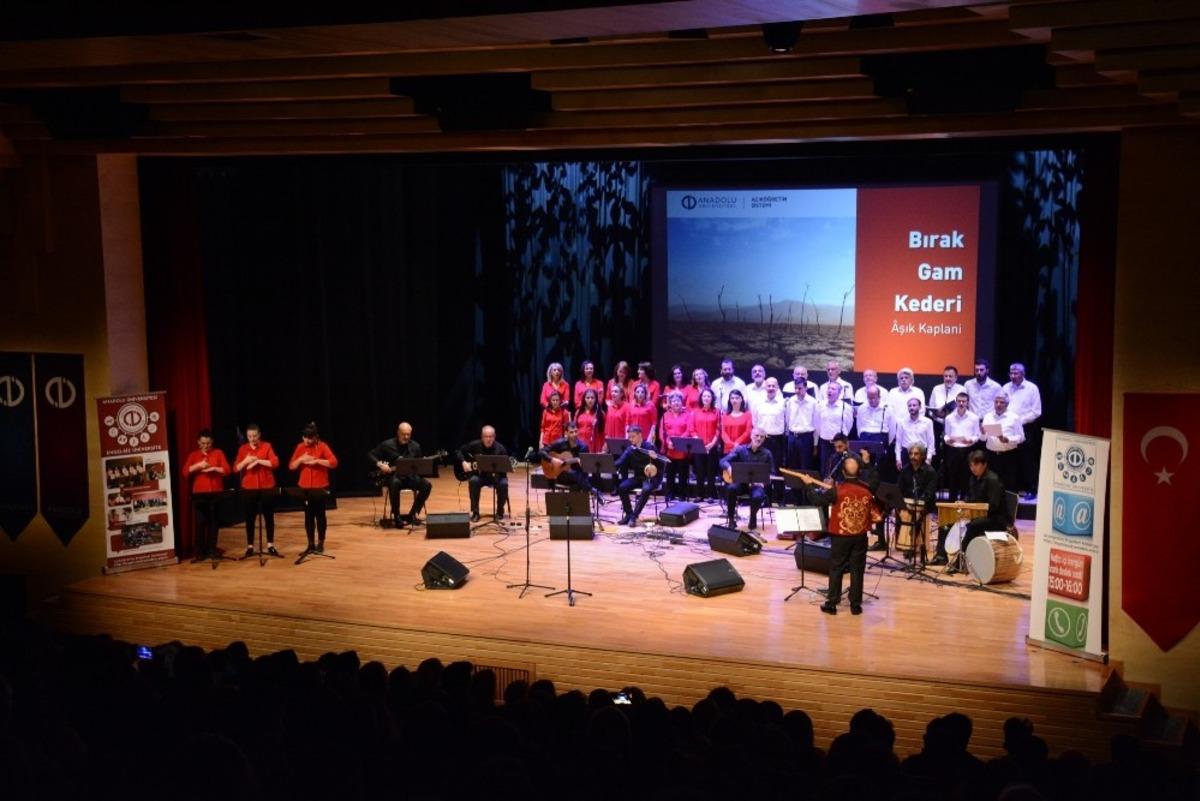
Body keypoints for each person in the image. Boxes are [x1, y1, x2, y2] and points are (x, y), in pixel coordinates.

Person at [794, 454, 882, 615]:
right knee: (857, 569)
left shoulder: (837, 491)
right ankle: (856, 605)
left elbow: (817, 500)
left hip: (840, 536)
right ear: (860, 472)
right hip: (860, 536)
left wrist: (808, 485)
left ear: (842, 472)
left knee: (836, 568)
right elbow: (876, 514)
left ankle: (832, 603)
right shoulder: (866, 491)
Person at [943, 450, 1010, 572]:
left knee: (973, 526)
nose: (973, 468)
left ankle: (960, 562)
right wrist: (964, 503)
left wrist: (975, 510)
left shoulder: (993, 480)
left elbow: (993, 506)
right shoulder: (972, 480)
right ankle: (942, 556)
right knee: (946, 523)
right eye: (971, 465)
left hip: (995, 519)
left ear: (984, 465)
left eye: (976, 465)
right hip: (979, 516)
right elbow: (971, 499)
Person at [367, 421, 431, 527]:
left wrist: (422, 464)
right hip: (392, 477)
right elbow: (370, 454)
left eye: (408, 434)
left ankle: (412, 514)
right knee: (395, 483)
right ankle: (397, 516)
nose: (406, 437)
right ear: (398, 433)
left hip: (410, 477)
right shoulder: (387, 445)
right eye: (403, 434)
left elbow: (419, 466)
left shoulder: (415, 446)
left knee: (427, 485)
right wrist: (380, 464)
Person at [290, 422, 338, 553]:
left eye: (309, 438)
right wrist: (301, 459)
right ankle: (310, 543)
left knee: (320, 516)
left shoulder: (323, 446)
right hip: (304, 487)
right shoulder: (300, 447)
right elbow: (291, 466)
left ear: (316, 437)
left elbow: (334, 463)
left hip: (319, 487)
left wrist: (317, 461)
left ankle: (320, 542)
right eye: (304, 437)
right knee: (308, 516)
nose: (306, 440)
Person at [182, 429, 230, 559]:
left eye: (208, 443)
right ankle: (199, 551)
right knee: (200, 522)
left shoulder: (218, 453)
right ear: (198, 442)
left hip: (216, 492)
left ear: (212, 442)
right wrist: (199, 465)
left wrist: (214, 468)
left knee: (214, 522)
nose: (206, 446)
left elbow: (227, 470)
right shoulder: (194, 455)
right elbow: (185, 472)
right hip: (199, 494)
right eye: (203, 443)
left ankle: (212, 550)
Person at [234, 423, 279, 557]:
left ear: (259, 435)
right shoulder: (243, 449)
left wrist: (259, 461)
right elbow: (236, 468)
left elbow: (275, 463)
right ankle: (250, 546)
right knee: (250, 518)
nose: (252, 439)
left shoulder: (267, 446)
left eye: (254, 436)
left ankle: (270, 544)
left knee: (268, 517)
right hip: (249, 487)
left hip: (267, 486)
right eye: (249, 436)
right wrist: (247, 460)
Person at [719, 428, 774, 530]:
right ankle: (731, 519)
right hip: (741, 483)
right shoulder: (741, 450)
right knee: (731, 489)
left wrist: (764, 482)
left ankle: (753, 517)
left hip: (756, 485)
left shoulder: (767, 454)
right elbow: (723, 461)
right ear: (751, 436)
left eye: (762, 437)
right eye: (756, 436)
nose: (759, 439)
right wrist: (729, 468)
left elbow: (772, 473)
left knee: (757, 496)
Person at [1002, 362, 1042, 495]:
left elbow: (1036, 411)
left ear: (1023, 374)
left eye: (1016, 373)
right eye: (1011, 373)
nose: (1012, 376)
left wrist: (1019, 421)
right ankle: (1012, 490)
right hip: (1008, 427)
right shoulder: (1006, 387)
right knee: (1010, 459)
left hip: (1026, 427)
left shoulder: (1031, 388)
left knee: (1027, 460)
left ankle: (1031, 489)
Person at [893, 443, 938, 558]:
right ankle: (902, 544)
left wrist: (919, 503)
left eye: (916, 454)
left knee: (916, 515)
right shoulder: (905, 470)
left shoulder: (930, 471)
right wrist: (902, 503)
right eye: (911, 454)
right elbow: (899, 489)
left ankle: (913, 546)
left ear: (922, 456)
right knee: (899, 511)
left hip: (924, 505)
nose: (913, 456)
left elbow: (930, 492)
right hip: (907, 503)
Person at [613, 425, 663, 526]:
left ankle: (634, 516)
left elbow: (661, 464)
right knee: (622, 487)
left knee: (646, 489)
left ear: (640, 435)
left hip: (650, 478)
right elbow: (620, 462)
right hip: (638, 477)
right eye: (629, 437)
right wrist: (607, 464)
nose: (630, 439)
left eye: (633, 436)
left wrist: (656, 457)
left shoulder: (650, 447)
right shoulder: (630, 449)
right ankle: (628, 514)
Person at [457, 425, 509, 522]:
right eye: (486, 436)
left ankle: (500, 511)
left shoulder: (500, 449)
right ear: (482, 437)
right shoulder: (475, 445)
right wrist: (463, 462)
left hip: (496, 477)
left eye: (491, 436)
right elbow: (459, 451)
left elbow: (504, 470)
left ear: (494, 437)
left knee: (504, 484)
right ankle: (475, 512)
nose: (488, 439)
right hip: (481, 476)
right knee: (473, 481)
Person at [982, 392, 1024, 492]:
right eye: (996, 402)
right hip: (991, 456)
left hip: (1008, 457)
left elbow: (1021, 437)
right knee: (991, 486)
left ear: (1007, 404)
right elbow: (983, 439)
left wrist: (1008, 439)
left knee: (1008, 486)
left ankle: (1009, 508)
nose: (998, 404)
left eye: (1001, 402)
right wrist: (982, 433)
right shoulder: (988, 416)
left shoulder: (1014, 417)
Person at [942, 392, 981, 500]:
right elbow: (946, 434)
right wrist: (947, 440)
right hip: (953, 450)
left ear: (967, 403)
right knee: (953, 477)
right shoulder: (949, 418)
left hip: (968, 450)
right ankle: (951, 500)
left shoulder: (974, 418)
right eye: (959, 401)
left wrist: (970, 440)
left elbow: (977, 435)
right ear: (956, 402)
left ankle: (965, 499)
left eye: (963, 401)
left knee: (966, 476)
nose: (961, 403)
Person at [537, 421, 594, 494]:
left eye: (576, 431)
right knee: (570, 472)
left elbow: (585, 468)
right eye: (571, 432)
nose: (574, 434)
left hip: (577, 476)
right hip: (561, 475)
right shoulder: (560, 443)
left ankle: (588, 491)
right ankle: (592, 490)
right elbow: (541, 452)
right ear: (566, 433)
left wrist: (580, 462)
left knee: (574, 474)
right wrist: (552, 459)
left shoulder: (583, 447)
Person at [751, 377, 786, 495]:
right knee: (762, 469)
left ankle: (779, 498)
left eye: (773, 386)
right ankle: (764, 497)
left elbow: (787, 421)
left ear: (777, 388)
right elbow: (755, 421)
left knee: (777, 468)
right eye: (769, 386)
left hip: (777, 440)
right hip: (762, 440)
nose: (771, 388)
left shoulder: (783, 403)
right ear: (765, 387)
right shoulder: (758, 403)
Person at [660, 391, 694, 501]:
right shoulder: (665, 415)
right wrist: (667, 442)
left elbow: (689, 430)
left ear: (681, 402)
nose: (676, 403)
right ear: (670, 403)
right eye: (673, 401)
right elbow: (662, 432)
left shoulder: (688, 414)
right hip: (670, 449)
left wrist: (678, 442)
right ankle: (670, 494)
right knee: (670, 475)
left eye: (678, 401)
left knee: (683, 475)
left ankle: (682, 495)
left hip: (682, 449)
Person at [691, 388, 721, 501]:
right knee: (699, 471)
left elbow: (718, 429)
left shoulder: (717, 412)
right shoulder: (695, 412)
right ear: (701, 398)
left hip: (711, 447)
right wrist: (698, 441)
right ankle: (699, 494)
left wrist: (712, 443)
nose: (706, 398)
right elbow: (692, 429)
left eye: (709, 396)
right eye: (704, 396)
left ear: (712, 398)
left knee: (710, 471)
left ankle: (710, 495)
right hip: (699, 446)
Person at [816, 383, 854, 473]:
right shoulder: (820, 405)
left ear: (839, 392)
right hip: (825, 442)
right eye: (829, 388)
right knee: (825, 468)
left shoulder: (845, 407)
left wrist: (842, 438)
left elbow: (849, 424)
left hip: (839, 443)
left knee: (839, 468)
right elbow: (817, 423)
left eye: (833, 389)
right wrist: (824, 434)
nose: (830, 391)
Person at [894, 397, 936, 470]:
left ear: (919, 407)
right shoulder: (902, 422)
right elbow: (898, 442)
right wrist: (898, 458)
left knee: (922, 478)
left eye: (914, 405)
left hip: (921, 453)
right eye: (909, 406)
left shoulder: (928, 422)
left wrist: (929, 458)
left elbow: (931, 441)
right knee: (906, 478)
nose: (912, 407)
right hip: (906, 453)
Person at [784, 380, 817, 470]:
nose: (797, 391)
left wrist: (815, 444)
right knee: (792, 465)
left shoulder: (813, 402)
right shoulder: (790, 401)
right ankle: (793, 484)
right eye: (795, 388)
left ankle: (804, 485)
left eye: (800, 388)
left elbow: (816, 423)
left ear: (806, 388)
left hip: (806, 437)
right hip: (792, 437)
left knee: (805, 466)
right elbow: (787, 419)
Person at [573, 387, 606, 456]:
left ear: (596, 399)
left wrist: (604, 448)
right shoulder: (579, 412)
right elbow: (574, 428)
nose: (590, 400)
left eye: (592, 398)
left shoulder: (600, 413)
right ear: (584, 399)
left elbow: (604, 432)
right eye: (587, 398)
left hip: (594, 445)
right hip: (580, 444)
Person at [721, 389, 754, 455]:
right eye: (732, 398)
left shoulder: (748, 415)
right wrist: (731, 444)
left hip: (743, 449)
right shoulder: (724, 416)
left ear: (741, 399)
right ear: (729, 400)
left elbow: (747, 432)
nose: (734, 400)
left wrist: (736, 444)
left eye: (737, 398)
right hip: (728, 449)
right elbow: (723, 432)